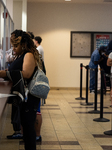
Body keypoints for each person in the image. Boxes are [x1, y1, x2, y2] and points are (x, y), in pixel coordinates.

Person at [0, 29, 42, 150]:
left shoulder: (28, 55)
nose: (13, 48)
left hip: (30, 97)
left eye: (15, 46)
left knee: (29, 129)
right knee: (27, 127)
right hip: (25, 97)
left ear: (23, 45)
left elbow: (27, 74)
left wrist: (4, 74)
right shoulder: (22, 55)